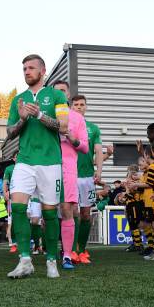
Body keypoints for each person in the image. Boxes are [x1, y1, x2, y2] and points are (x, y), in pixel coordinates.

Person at [6, 54, 68, 279]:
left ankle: (52, 260)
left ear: (42, 71)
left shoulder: (57, 95)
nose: (26, 72)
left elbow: (63, 126)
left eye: (31, 68)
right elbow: (10, 132)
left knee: (50, 213)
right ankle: (25, 259)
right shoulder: (18, 99)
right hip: (25, 160)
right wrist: (22, 118)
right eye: (24, 69)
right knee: (19, 207)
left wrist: (39, 114)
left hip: (51, 162)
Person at [71, 94, 111, 264]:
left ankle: (82, 249)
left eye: (82, 104)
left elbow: (98, 151)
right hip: (69, 175)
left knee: (86, 215)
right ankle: (71, 250)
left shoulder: (93, 128)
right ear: (71, 107)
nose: (79, 107)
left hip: (87, 177)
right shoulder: (67, 125)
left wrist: (99, 171)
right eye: (76, 104)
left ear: (86, 107)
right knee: (72, 214)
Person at [54, 80, 89, 270]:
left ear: (67, 95)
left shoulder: (77, 118)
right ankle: (51, 252)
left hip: (68, 168)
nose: (59, 94)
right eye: (56, 92)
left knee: (67, 209)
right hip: (46, 166)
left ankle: (67, 255)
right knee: (47, 211)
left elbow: (84, 147)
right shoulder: (45, 116)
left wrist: (70, 137)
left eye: (62, 91)